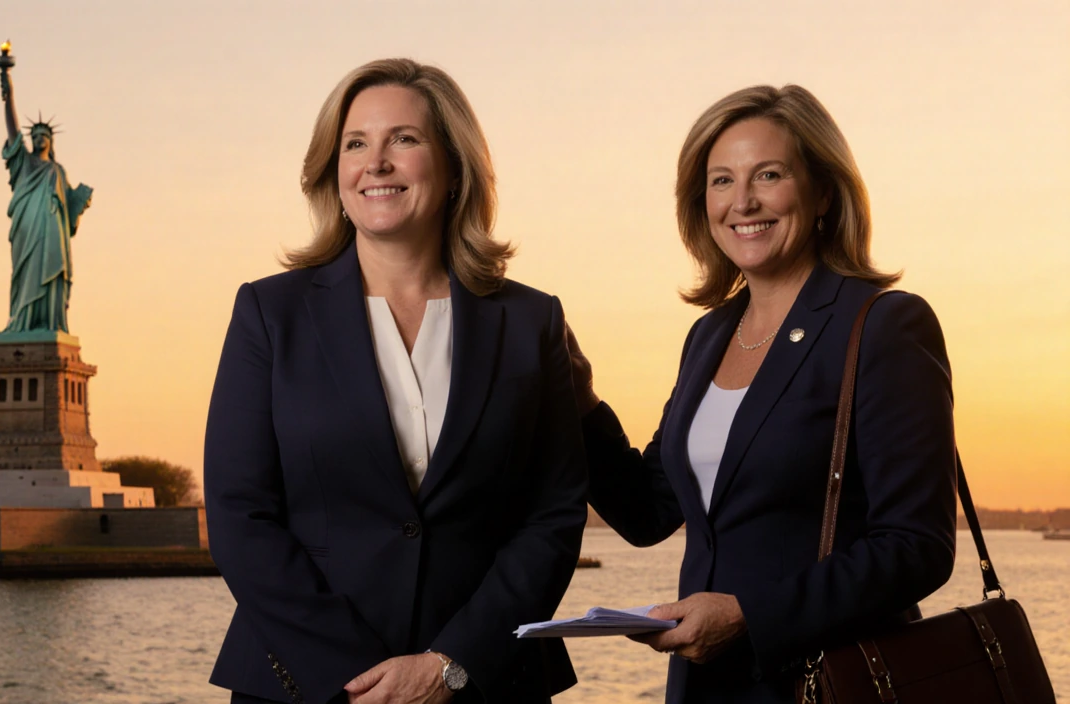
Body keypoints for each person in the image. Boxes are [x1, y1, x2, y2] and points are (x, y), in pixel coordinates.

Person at [204, 58, 587, 704]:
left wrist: (449, 664)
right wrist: (354, 677)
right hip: (304, 686)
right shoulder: (270, 314)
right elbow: (241, 516)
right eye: (356, 144)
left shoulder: (530, 320)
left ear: (454, 163)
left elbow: (552, 514)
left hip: (486, 683)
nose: (375, 163)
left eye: (403, 140)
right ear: (334, 168)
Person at [567, 85, 957, 703]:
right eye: (721, 181)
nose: (742, 201)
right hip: (705, 688)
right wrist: (580, 398)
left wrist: (750, 614)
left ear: (823, 190)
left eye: (768, 175)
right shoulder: (709, 336)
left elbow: (918, 548)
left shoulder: (884, 325)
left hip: (828, 685)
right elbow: (648, 513)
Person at [0, 62, 92, 335]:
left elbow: (69, 216)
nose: (39, 139)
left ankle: (50, 324)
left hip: (53, 234)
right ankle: (22, 322)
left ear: (51, 141)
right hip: (28, 230)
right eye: (35, 136)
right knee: (25, 275)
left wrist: (79, 203)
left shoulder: (58, 171)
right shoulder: (24, 163)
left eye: (44, 136)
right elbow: (13, 130)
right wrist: (8, 91)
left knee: (52, 276)